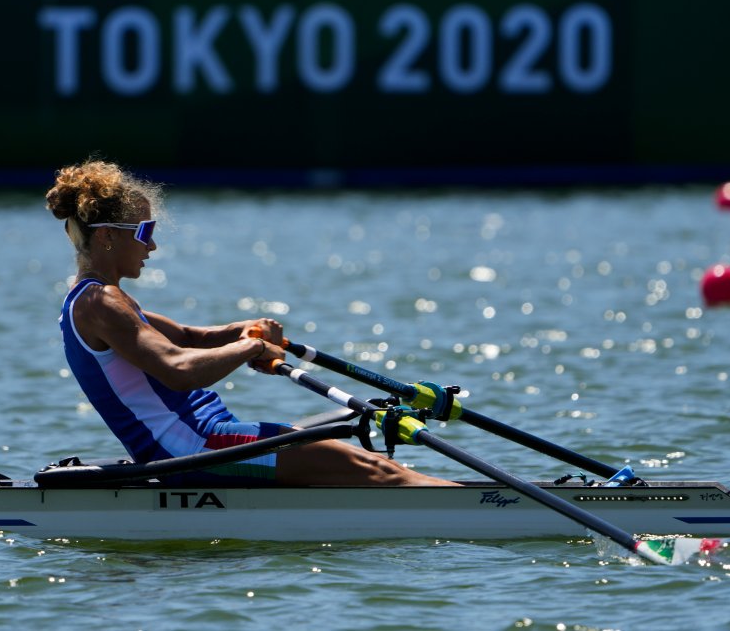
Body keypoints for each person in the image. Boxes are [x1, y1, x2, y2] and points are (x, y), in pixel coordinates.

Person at [45, 159, 455, 487]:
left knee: (354, 463)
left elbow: (190, 338)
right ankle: (486, 511)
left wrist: (246, 328)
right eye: (145, 231)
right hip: (193, 446)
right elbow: (178, 370)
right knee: (377, 471)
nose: (152, 245)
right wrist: (253, 348)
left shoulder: (91, 300)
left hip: (201, 438)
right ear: (107, 238)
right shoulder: (102, 303)